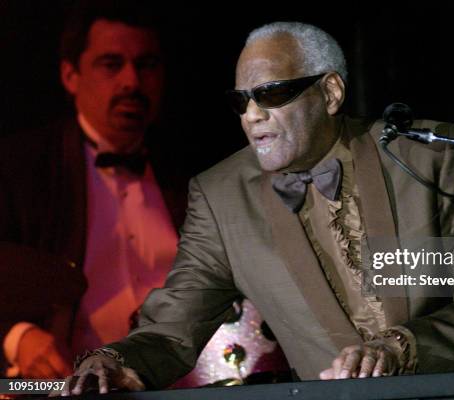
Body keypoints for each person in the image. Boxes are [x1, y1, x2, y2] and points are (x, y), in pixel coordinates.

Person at [63, 21, 454, 395]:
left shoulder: (424, 157)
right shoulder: (223, 196)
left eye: (272, 94)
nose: (251, 115)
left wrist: (400, 347)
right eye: (240, 101)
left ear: (330, 93)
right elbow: (171, 328)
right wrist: (118, 363)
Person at [0, 3, 286, 384]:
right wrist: (16, 337)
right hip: (70, 388)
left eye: (146, 64)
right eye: (111, 64)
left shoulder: (198, 169)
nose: (131, 82)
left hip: (189, 386)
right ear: (70, 75)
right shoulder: (17, 168)